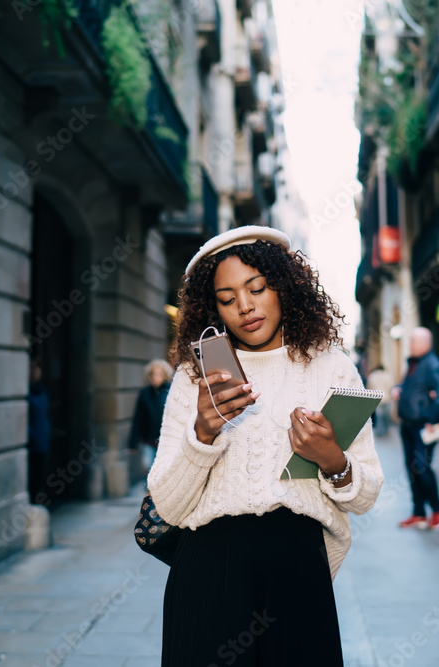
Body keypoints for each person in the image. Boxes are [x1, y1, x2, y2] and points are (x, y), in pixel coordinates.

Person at [147, 226, 383, 667]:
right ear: (211, 306)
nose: (245, 306)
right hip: (208, 569)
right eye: (227, 297)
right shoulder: (193, 378)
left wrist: (332, 459)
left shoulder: (330, 366)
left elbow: (367, 495)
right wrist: (202, 433)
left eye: (257, 287)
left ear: (284, 287)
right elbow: (169, 506)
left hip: (298, 569)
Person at [393, 327, 439, 530]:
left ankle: (437, 508)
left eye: (414, 341)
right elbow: (413, 387)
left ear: (426, 343)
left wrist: (431, 419)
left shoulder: (432, 364)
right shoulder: (413, 363)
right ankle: (418, 513)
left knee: (421, 467)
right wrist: (399, 389)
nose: (410, 345)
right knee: (412, 469)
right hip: (408, 423)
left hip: (422, 426)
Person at [128, 359, 173, 471]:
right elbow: (138, 418)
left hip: (165, 440)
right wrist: (133, 443)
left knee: (162, 469)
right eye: (153, 374)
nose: (155, 377)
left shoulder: (170, 391)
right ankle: (148, 488)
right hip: (148, 439)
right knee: (147, 465)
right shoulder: (145, 393)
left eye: (159, 374)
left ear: (164, 375)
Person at [26, 357, 51, 505]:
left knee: (39, 477)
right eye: (33, 368)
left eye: (38, 368)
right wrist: (32, 435)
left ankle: (37, 506)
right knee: (32, 478)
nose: (36, 372)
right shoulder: (26, 392)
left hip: (43, 441)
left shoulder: (42, 390)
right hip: (32, 442)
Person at [367, 365, 395, 436]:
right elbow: (391, 386)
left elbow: (369, 387)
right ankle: (386, 430)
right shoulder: (387, 375)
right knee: (386, 416)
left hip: (378, 398)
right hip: (387, 398)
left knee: (379, 416)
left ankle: (380, 432)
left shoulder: (372, 376)